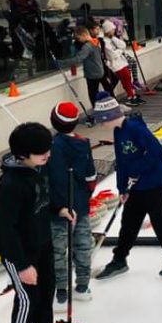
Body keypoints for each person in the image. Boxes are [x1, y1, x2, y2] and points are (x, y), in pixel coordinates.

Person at [0, 122, 77, 323]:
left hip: (42, 242)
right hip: (18, 251)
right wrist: (22, 265)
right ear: (23, 155)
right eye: (42, 152)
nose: (48, 155)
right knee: (27, 297)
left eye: (48, 149)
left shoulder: (37, 169)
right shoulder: (10, 185)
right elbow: (5, 229)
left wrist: (60, 209)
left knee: (46, 291)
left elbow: (41, 200)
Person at [93, 93, 162, 280]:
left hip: (154, 180)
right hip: (136, 184)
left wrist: (136, 172)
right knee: (129, 220)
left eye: (102, 121)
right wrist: (122, 189)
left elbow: (154, 154)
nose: (101, 125)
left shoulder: (136, 129)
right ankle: (119, 259)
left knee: (159, 219)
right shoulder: (118, 131)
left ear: (110, 117)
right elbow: (122, 161)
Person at [47, 102, 96, 308]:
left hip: (57, 209)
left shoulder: (49, 148)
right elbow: (91, 177)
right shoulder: (84, 144)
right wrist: (84, 196)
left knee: (58, 249)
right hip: (80, 206)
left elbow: (46, 180)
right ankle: (83, 286)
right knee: (82, 245)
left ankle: (60, 291)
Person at [60, 26, 106, 119]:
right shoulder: (96, 42)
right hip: (99, 70)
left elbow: (79, 58)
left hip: (92, 74)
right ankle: (100, 111)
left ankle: (98, 114)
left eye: (78, 38)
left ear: (84, 35)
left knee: (93, 95)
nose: (78, 40)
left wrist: (62, 62)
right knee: (96, 93)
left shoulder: (87, 46)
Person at [101, 20, 142, 107]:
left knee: (127, 79)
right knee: (124, 79)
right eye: (112, 30)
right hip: (115, 65)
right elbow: (112, 55)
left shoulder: (113, 38)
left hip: (122, 62)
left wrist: (114, 40)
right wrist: (120, 51)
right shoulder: (105, 42)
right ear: (108, 30)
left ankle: (131, 95)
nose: (114, 31)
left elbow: (123, 45)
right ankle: (129, 96)